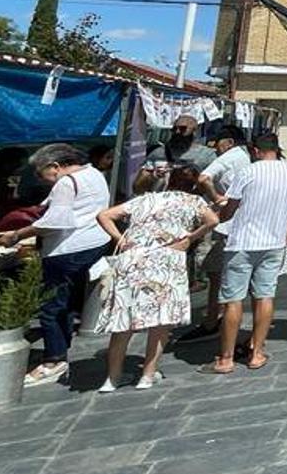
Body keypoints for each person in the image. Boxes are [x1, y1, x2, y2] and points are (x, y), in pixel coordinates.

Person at [0, 144, 113, 387]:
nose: (41, 179)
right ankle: (61, 347)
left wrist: (16, 235)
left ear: (55, 166)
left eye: (40, 173)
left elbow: (56, 221)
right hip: (95, 242)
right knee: (67, 303)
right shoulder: (95, 174)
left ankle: (54, 359)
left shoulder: (66, 183)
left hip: (67, 249)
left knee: (51, 305)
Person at [94, 165, 219, 390]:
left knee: (124, 321)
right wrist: (190, 238)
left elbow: (104, 215)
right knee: (161, 320)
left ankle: (111, 378)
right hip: (167, 260)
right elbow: (213, 221)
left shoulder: (146, 199)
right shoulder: (194, 202)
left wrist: (120, 239)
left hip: (133, 258)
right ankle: (148, 374)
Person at [199, 133, 287, 374]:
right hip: (274, 243)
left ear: (256, 151)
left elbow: (231, 207)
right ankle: (256, 353)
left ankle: (226, 358)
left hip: (242, 243)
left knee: (233, 300)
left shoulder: (248, 172)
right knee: (265, 296)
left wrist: (220, 216)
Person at [175, 125, 253, 344]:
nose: (215, 148)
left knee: (216, 272)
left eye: (217, 143)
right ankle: (219, 317)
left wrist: (216, 197)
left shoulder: (229, 156)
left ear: (228, 142)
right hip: (242, 224)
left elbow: (203, 178)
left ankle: (214, 320)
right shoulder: (246, 158)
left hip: (225, 223)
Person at [135, 114, 217, 193]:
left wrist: (193, 178)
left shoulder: (206, 155)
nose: (177, 132)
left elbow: (213, 188)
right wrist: (154, 175)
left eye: (183, 129)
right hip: (159, 202)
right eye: (174, 129)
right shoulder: (157, 153)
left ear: (194, 131)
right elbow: (137, 188)